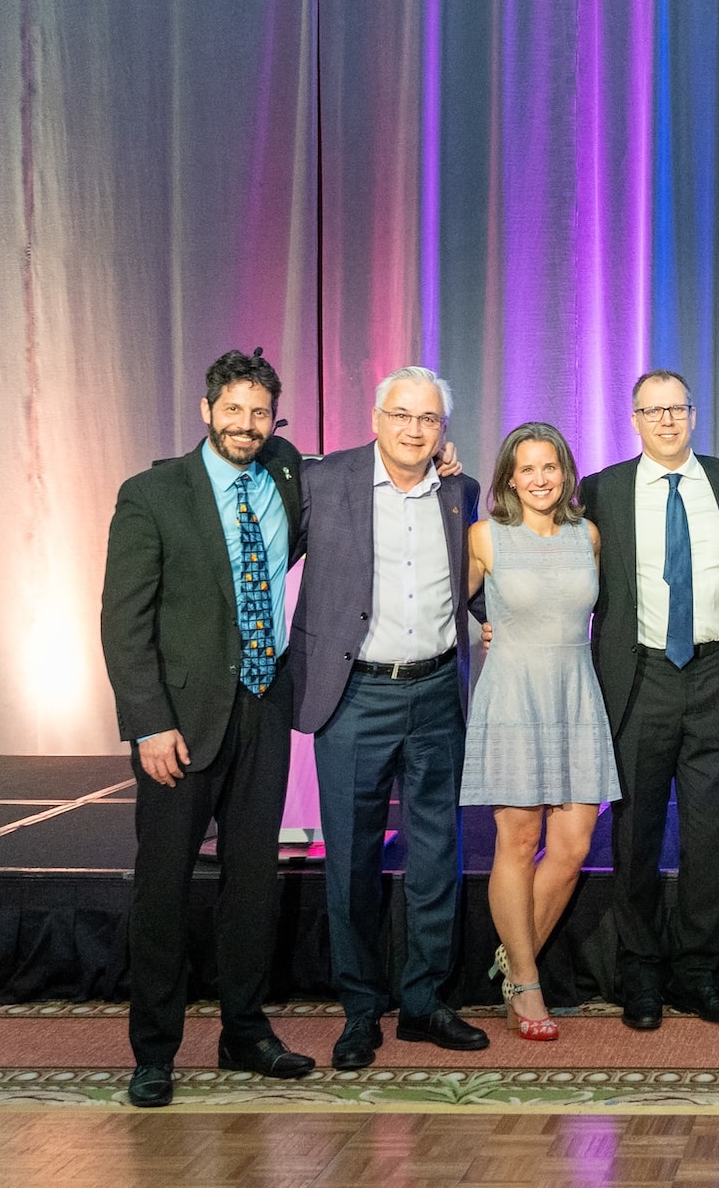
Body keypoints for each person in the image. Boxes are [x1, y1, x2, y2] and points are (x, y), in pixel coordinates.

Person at [101, 350, 315, 1107]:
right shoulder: (153, 493)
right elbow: (123, 624)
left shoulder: (286, 470)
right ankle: (153, 1052)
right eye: (234, 411)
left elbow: (342, 481)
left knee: (253, 882)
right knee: (163, 888)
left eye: (260, 414)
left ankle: (244, 1033)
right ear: (207, 409)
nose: (247, 426)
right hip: (181, 726)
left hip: (264, 706)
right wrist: (148, 724)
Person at [290, 366, 487, 1070]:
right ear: (376, 418)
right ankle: (361, 1010)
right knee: (351, 861)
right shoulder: (323, 481)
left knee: (437, 858)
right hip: (354, 695)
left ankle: (426, 1001)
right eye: (401, 415)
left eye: (428, 419)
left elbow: (479, 586)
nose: (413, 429)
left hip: (436, 694)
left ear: (443, 432)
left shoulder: (460, 493)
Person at [581, 369, 719, 1030]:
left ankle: (697, 975)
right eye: (652, 411)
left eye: (676, 408)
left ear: (693, 412)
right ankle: (641, 975)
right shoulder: (602, 490)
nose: (666, 421)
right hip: (640, 676)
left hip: (714, 673)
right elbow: (544, 547)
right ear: (634, 420)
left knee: (712, 834)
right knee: (636, 833)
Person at [461, 422, 621, 1041]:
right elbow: (449, 608)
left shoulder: (589, 535)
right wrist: (483, 628)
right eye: (525, 469)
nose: (539, 479)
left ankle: (511, 956)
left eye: (549, 466)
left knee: (575, 844)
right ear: (508, 478)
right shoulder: (486, 537)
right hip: (513, 697)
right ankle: (525, 983)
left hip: (575, 695)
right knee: (518, 840)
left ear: (566, 472)